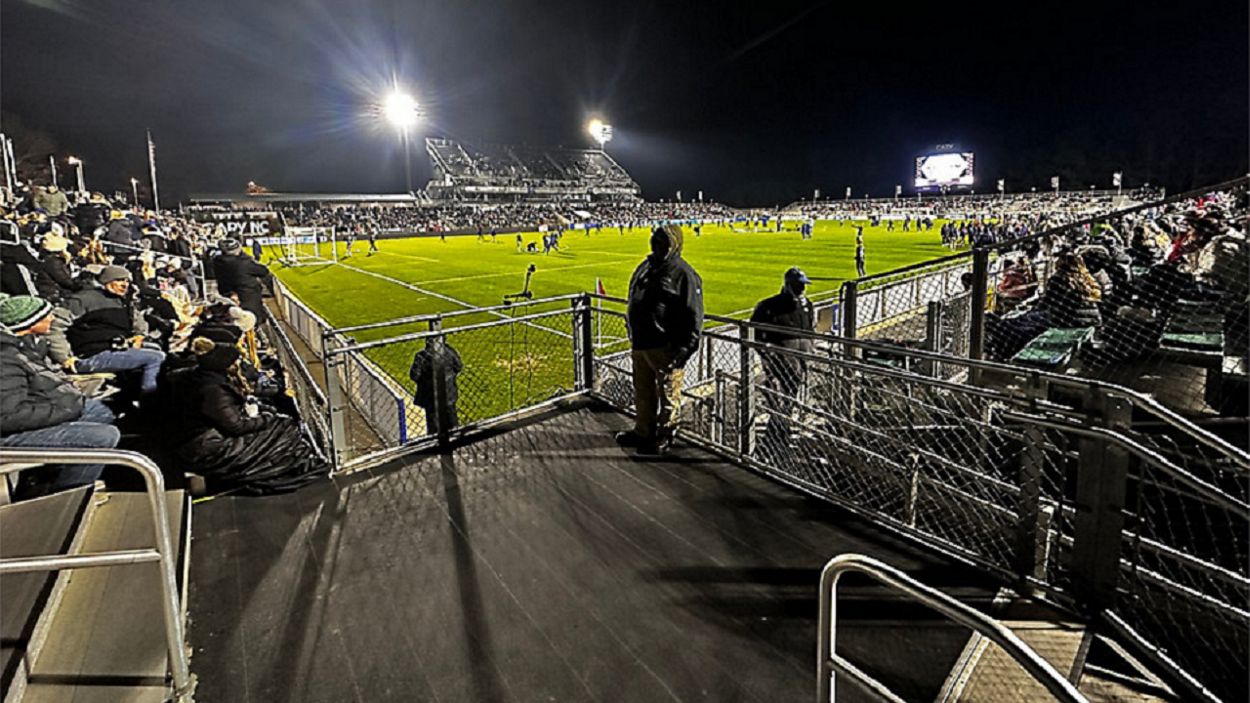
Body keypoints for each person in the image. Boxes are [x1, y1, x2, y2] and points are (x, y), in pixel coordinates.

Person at [166, 338, 327, 495]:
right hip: (205, 446)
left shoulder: (203, 377)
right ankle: (286, 468)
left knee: (279, 424)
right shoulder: (213, 390)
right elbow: (237, 426)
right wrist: (267, 417)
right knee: (283, 426)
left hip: (195, 441)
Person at [0, 294, 119, 498]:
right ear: (29, 322)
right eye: (47, 315)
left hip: (36, 409)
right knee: (105, 436)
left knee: (99, 411)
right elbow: (8, 416)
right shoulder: (5, 357)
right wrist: (62, 410)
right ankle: (69, 497)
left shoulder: (25, 344)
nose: (53, 319)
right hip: (8, 437)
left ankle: (46, 478)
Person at [617, 225, 704, 455]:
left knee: (668, 395)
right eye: (654, 239)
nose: (656, 244)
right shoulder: (646, 267)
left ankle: (665, 436)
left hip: (666, 347)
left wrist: (684, 350)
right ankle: (643, 431)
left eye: (662, 241)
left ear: (674, 244)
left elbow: (694, 316)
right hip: (641, 344)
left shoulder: (684, 274)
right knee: (642, 391)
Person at [57, 266, 166, 395]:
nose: (125, 285)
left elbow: (139, 323)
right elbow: (55, 326)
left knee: (155, 347)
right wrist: (63, 357)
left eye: (127, 281)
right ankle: (149, 399)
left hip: (115, 348)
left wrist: (139, 336)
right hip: (90, 354)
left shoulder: (123, 301)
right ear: (107, 281)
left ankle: (130, 392)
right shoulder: (82, 300)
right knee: (154, 357)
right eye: (120, 280)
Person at [750, 267, 815, 457]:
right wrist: (767, 356)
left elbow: (810, 331)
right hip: (779, 362)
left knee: (789, 399)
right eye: (798, 286)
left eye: (803, 286)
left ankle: (776, 434)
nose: (802, 290)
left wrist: (810, 353)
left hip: (800, 362)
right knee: (779, 399)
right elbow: (754, 331)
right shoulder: (769, 306)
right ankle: (776, 436)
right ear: (787, 285)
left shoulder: (807, 305)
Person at [408, 336, 464, 435]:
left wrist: (426, 381)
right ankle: (456, 436)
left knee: (433, 422)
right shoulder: (450, 352)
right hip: (449, 392)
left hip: (430, 395)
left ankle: (435, 439)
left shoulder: (422, 356)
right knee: (452, 418)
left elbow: (414, 375)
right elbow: (458, 366)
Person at [212, 239, 271, 318]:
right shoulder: (243, 263)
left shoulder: (217, 262)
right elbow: (263, 271)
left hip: (227, 294)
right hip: (248, 298)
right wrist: (246, 257)